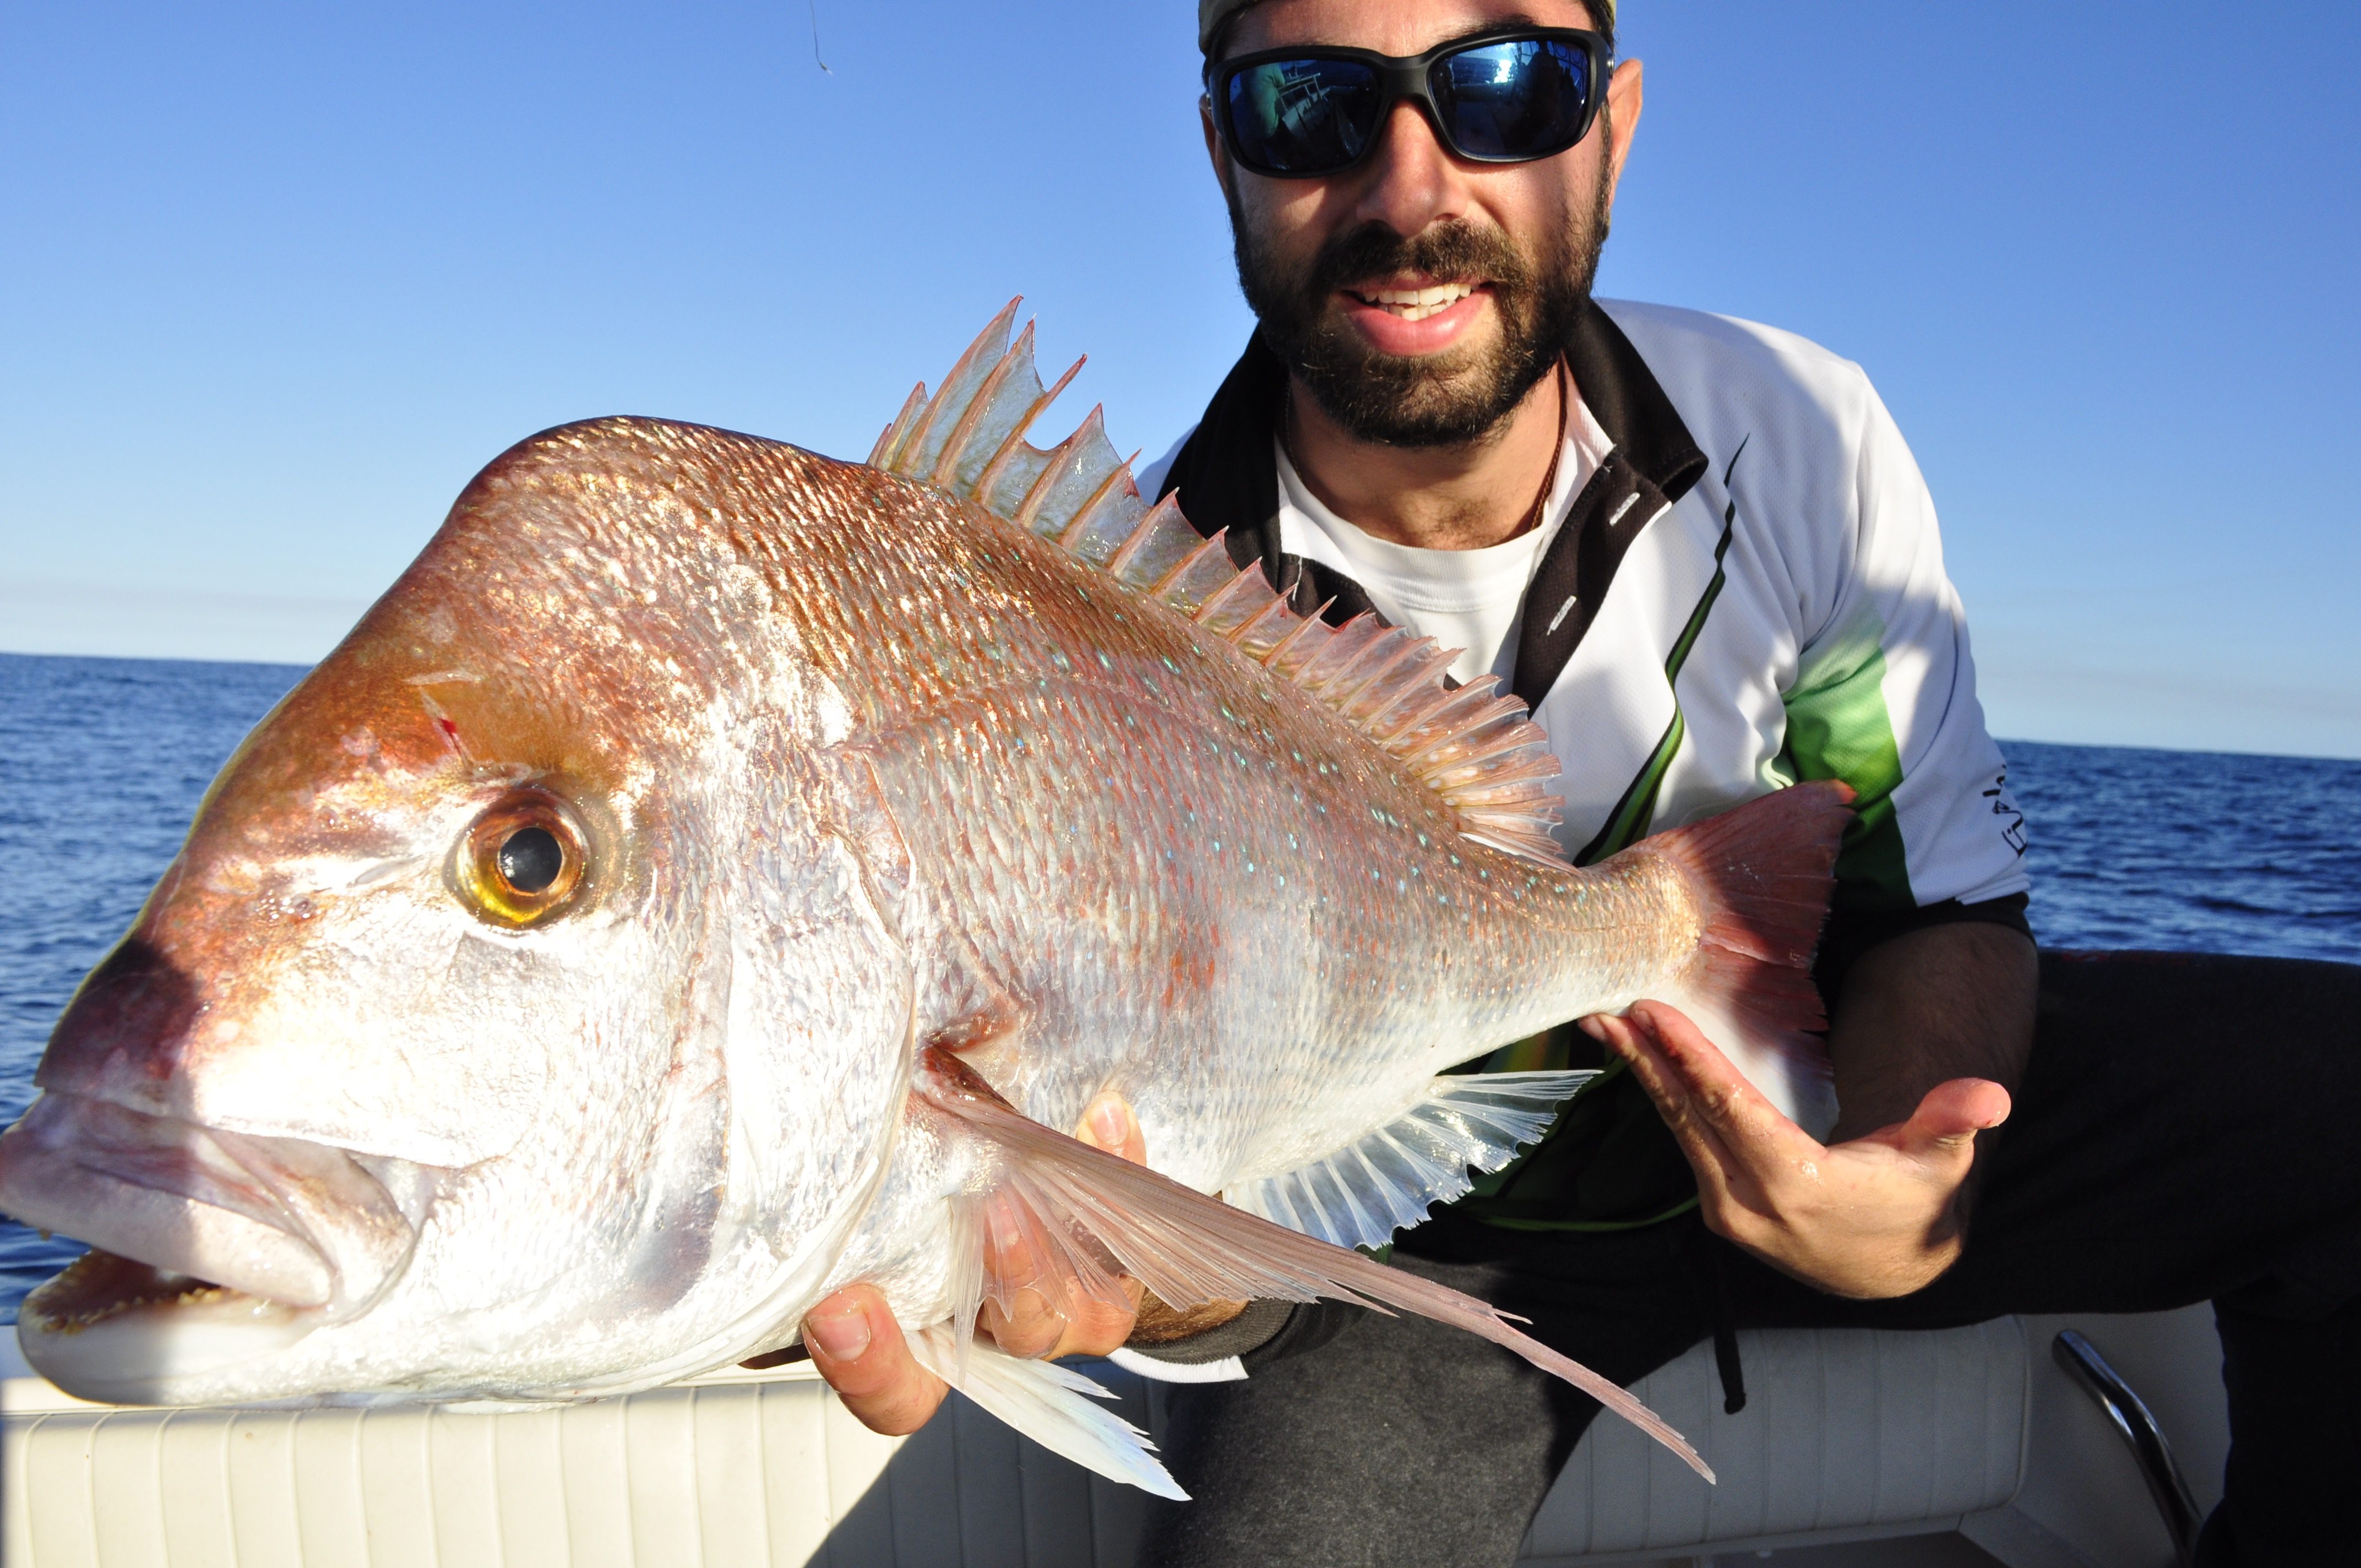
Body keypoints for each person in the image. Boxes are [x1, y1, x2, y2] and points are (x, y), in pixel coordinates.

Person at [800, 2, 2361, 1562]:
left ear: (1611, 122)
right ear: (1222, 147)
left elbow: (1935, 897)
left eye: (1506, 87)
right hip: (1453, 1259)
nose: (1413, 193)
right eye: (1307, 105)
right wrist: (1160, 1270)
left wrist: (1890, 1170)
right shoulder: (1103, 613)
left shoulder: (1797, 434)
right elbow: (1216, 1213)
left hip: (1829, 1089)